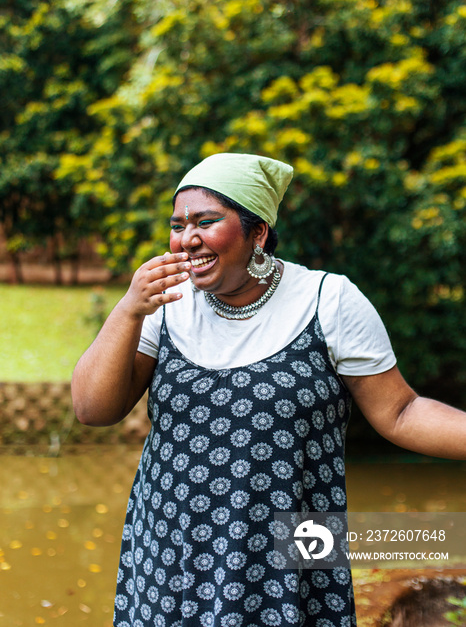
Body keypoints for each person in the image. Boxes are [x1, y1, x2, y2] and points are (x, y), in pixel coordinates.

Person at [72, 152, 466, 627]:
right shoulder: (165, 305)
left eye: (206, 221)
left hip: (291, 552)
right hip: (173, 548)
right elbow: (92, 409)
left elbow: (400, 412)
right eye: (177, 225)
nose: (186, 238)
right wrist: (129, 310)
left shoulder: (327, 300)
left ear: (257, 232)